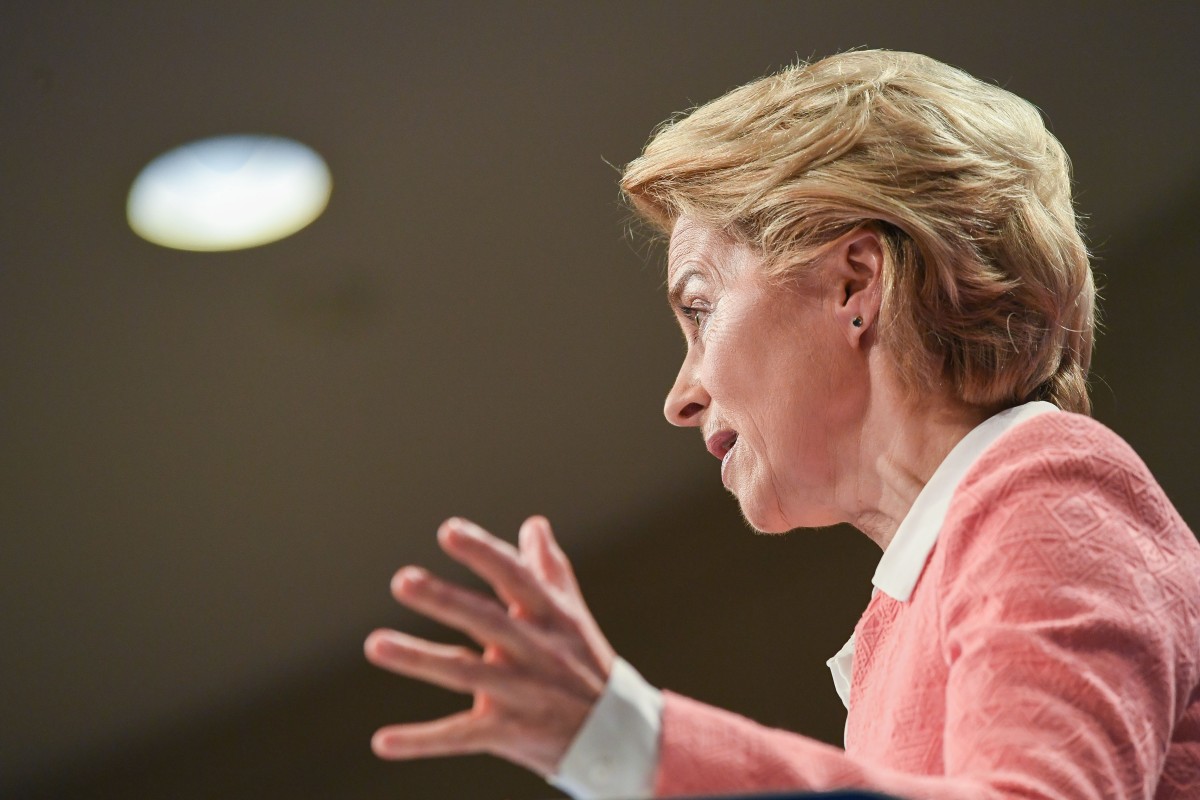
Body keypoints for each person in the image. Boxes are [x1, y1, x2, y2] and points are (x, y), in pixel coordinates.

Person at [363, 50, 1200, 799]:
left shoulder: (1044, 480)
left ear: (854, 284)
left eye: (699, 307)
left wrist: (628, 740)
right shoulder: (919, 597)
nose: (681, 395)